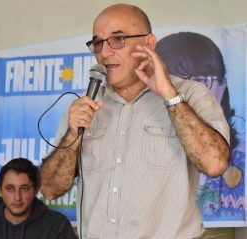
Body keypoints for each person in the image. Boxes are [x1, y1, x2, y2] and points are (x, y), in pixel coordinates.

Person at [40, 4, 230, 239]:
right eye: (98, 42)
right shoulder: (85, 104)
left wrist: (169, 96)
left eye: (118, 39)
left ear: (149, 44)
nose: (105, 52)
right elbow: (49, 189)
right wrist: (72, 135)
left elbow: (215, 164)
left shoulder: (191, 95)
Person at [156, 32, 244, 239]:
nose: (188, 89)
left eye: (202, 79)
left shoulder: (240, 155)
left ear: (222, 88)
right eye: (175, 79)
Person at [0, 158, 77, 239]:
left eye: (25, 189)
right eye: (10, 189)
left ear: (36, 190)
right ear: (0, 189)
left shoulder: (57, 225)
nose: (17, 197)